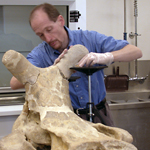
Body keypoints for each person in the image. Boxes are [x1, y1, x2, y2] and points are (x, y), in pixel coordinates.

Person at [10, 3, 142, 126]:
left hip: (100, 115)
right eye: (41, 35)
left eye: (49, 29)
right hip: (67, 120)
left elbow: (135, 51)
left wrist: (106, 57)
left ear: (61, 21)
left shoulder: (90, 38)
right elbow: (14, 83)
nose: (48, 38)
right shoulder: (40, 54)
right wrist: (51, 71)